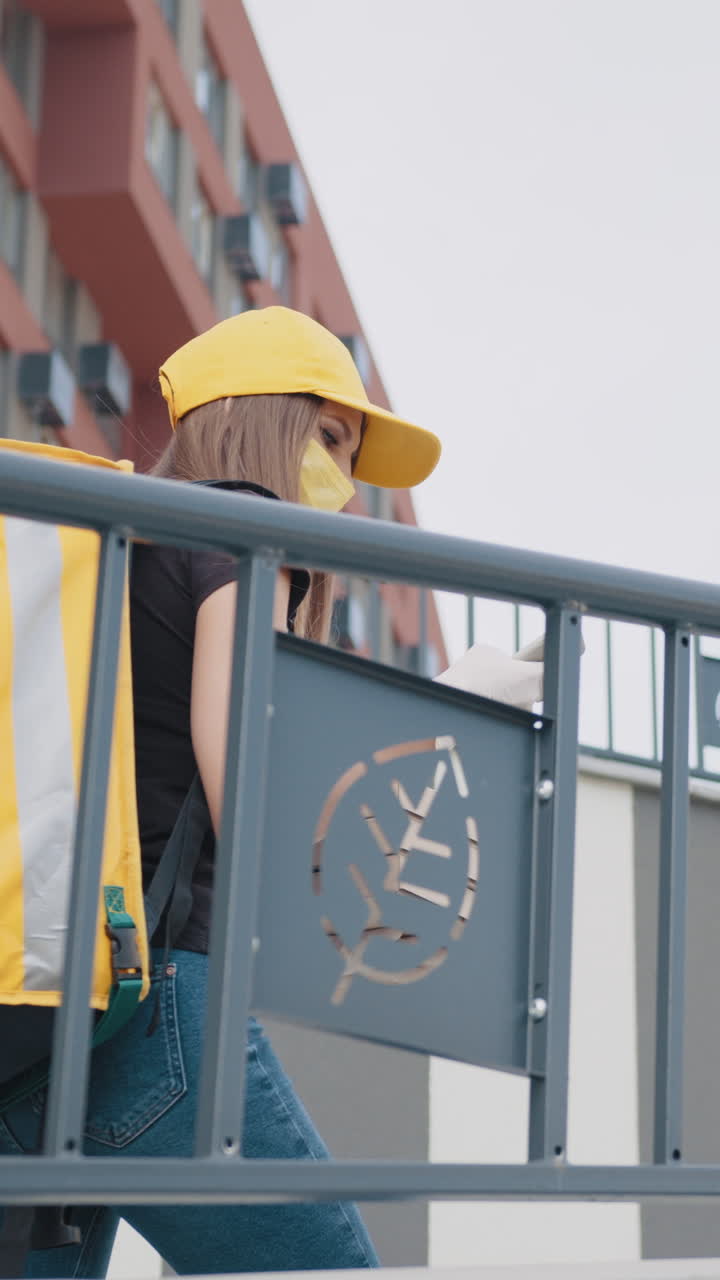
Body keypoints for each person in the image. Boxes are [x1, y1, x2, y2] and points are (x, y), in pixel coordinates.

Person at [0, 307, 444, 1277]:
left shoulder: (117, 551)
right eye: (327, 436)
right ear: (255, 417)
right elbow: (241, 776)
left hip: (43, 1011)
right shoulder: (234, 531)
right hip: (154, 1008)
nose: (340, 475)